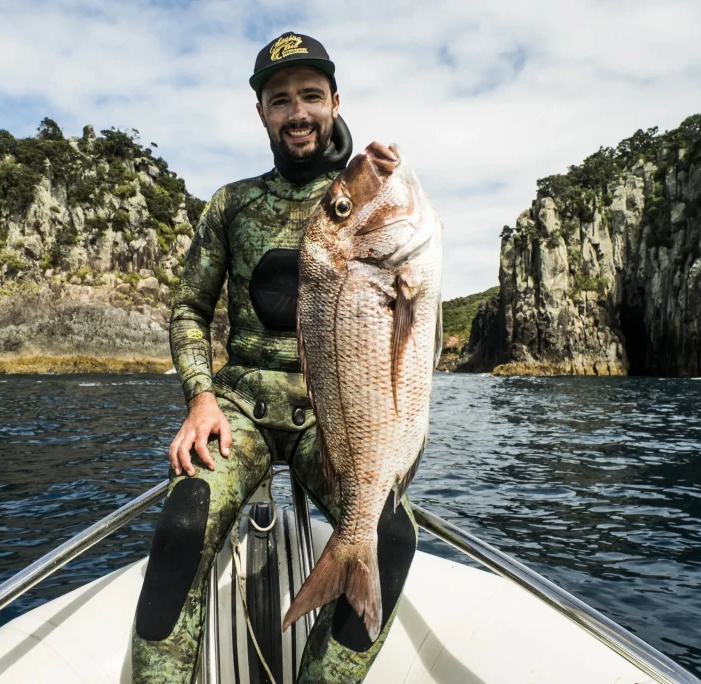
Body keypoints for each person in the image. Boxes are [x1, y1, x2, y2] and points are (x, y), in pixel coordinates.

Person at [131, 32, 418, 683]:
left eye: (311, 96)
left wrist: (379, 178)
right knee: (183, 521)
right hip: (241, 409)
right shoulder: (231, 205)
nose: (298, 112)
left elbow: (408, 293)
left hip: (338, 416)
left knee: (391, 534)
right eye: (281, 99)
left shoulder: (365, 199)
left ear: (334, 101)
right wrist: (201, 398)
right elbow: (188, 311)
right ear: (261, 111)